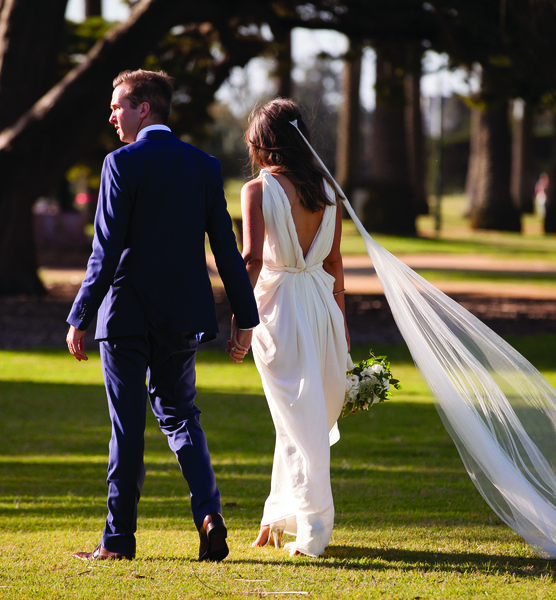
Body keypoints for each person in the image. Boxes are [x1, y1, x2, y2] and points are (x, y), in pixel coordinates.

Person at [66, 69, 259, 562]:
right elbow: (226, 250)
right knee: (181, 416)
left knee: (127, 426)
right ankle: (209, 514)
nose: (112, 114)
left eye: (119, 106)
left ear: (144, 108)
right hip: (181, 315)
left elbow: (105, 250)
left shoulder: (120, 164)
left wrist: (80, 314)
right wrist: (245, 317)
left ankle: (118, 541)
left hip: (125, 314)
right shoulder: (204, 165)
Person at [240, 98, 349, 557]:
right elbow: (334, 262)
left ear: (264, 142)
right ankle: (278, 515)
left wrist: (240, 323)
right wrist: (341, 327)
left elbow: (249, 259)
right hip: (322, 307)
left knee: (297, 421)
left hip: (279, 309)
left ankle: (315, 527)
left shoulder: (258, 189)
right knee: (297, 420)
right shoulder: (328, 191)